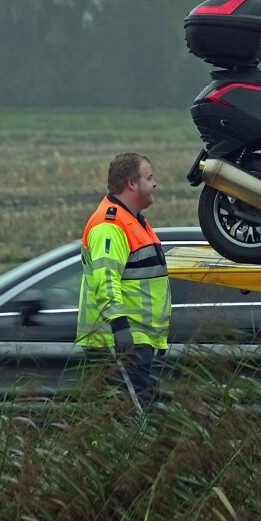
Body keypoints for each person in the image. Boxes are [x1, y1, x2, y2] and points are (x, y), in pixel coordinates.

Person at [77, 152, 171, 408]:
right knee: (127, 419)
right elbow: (106, 280)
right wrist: (120, 328)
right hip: (119, 344)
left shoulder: (134, 221)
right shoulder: (111, 225)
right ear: (132, 183)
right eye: (149, 177)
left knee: (129, 418)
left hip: (134, 343)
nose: (155, 184)